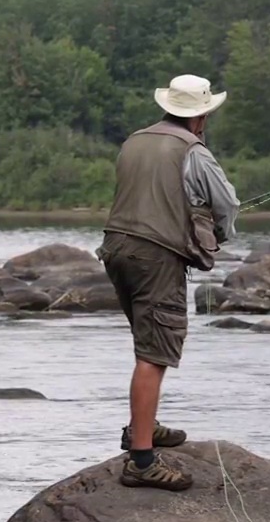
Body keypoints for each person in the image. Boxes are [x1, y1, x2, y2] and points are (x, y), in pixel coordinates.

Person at [96, 73, 239, 491]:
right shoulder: (194, 151)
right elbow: (226, 203)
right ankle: (141, 459)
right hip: (156, 257)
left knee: (146, 343)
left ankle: (145, 426)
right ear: (200, 118)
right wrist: (221, 234)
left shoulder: (133, 141)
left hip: (116, 249)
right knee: (155, 354)